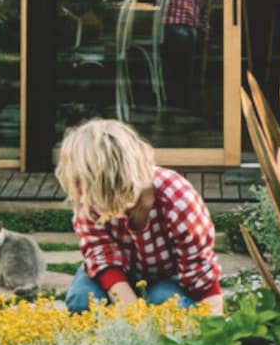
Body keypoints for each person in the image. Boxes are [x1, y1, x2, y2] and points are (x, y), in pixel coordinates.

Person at [56, 118, 225, 316]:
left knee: (164, 302)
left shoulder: (177, 198)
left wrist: (216, 321)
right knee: (82, 300)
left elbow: (198, 267)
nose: (80, 194)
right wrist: (129, 306)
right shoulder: (86, 198)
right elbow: (100, 251)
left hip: (166, 277)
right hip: (116, 273)